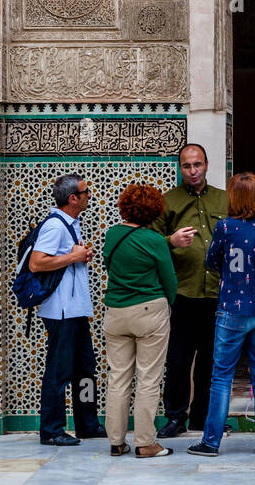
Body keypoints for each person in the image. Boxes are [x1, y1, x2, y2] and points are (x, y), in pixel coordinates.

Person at [187, 172, 255, 457]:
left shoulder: (225, 227)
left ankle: (211, 441)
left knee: (222, 376)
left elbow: (212, 260)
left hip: (233, 310)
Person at [152, 143, 228, 440]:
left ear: (207, 165)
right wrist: (171, 240)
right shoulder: (167, 202)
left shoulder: (225, 199)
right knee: (179, 359)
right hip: (182, 293)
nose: (193, 171)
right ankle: (175, 417)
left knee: (211, 358)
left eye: (197, 165)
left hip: (217, 294)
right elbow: (151, 242)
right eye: (187, 166)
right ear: (180, 168)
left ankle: (203, 417)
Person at [28, 173, 106, 446]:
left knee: (85, 369)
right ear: (73, 198)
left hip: (75, 310)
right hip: (60, 312)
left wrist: (79, 255)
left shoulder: (71, 223)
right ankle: (51, 430)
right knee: (58, 372)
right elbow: (37, 264)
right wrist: (73, 256)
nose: (89, 196)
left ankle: (87, 423)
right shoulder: (55, 226)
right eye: (85, 192)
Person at [102, 182, 178, 458]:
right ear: (154, 210)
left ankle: (116, 441)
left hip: (115, 313)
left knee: (118, 378)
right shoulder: (155, 240)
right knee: (148, 379)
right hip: (149, 312)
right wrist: (167, 303)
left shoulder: (112, 235)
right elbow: (169, 279)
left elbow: (108, 266)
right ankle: (145, 442)